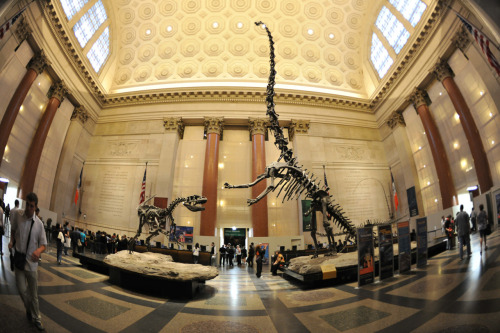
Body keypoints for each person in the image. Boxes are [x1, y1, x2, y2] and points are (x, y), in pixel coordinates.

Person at [9, 192, 47, 331]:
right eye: (27, 205)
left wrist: (39, 251)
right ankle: (29, 309)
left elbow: (44, 244)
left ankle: (37, 319)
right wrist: (11, 240)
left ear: (35, 207)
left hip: (31, 264)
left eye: (31, 206)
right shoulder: (19, 216)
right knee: (21, 289)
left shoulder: (39, 225)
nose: (28, 208)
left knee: (34, 294)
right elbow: (13, 229)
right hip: (19, 260)